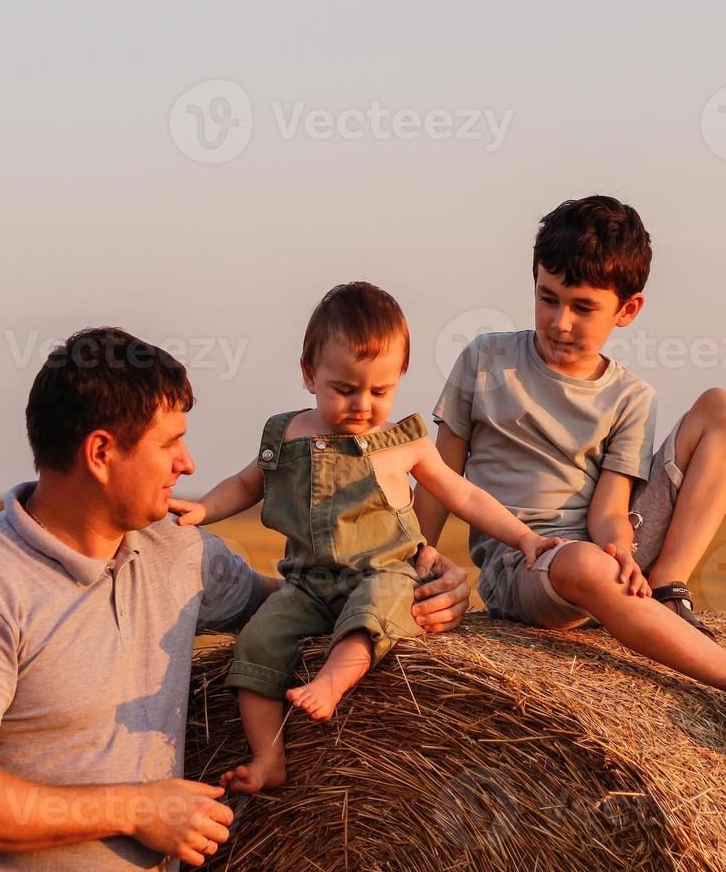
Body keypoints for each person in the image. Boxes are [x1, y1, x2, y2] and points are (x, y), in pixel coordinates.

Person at [0, 326, 473, 871]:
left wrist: (415, 593)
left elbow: (304, 604)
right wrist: (139, 809)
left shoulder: (177, 551)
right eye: (170, 444)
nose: (188, 465)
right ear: (100, 453)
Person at [415, 196, 726, 758]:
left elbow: (609, 507)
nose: (560, 322)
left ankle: (668, 590)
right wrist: (408, 563)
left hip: (605, 545)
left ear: (627, 310)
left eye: (582, 307)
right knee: (582, 563)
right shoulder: (484, 362)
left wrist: (621, 549)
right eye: (547, 298)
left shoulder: (631, 397)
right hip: (523, 564)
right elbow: (438, 474)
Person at [169, 283, 568, 793]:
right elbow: (246, 485)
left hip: (385, 573)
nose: (362, 405)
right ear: (309, 374)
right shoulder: (286, 434)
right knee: (257, 642)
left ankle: (333, 681)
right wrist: (204, 508)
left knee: (373, 611)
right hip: (308, 584)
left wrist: (525, 539)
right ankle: (268, 758)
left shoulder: (405, 443)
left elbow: (464, 496)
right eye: (345, 389)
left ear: (399, 378)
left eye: (380, 392)